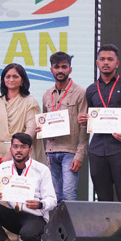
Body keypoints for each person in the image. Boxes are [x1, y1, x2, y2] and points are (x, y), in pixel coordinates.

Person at [77, 44, 121, 202]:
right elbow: (92, 117)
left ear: (117, 63)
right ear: (97, 63)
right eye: (102, 59)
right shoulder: (91, 89)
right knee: (102, 197)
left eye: (110, 59)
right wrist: (84, 120)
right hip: (97, 149)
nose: (106, 62)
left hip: (120, 148)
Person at [0, 133, 56, 241]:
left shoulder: (42, 170)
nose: (18, 150)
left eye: (23, 147)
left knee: (27, 234)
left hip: (34, 216)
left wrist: (40, 204)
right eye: (15, 146)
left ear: (30, 150)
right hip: (13, 214)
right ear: (11, 149)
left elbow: (52, 200)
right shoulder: (3, 167)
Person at [41, 52, 87, 202]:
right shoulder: (47, 94)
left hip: (70, 151)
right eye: (57, 67)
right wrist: (40, 128)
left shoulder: (80, 92)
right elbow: (44, 121)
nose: (60, 70)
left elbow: (84, 127)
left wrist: (80, 155)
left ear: (70, 69)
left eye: (64, 67)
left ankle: (69, 220)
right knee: (54, 197)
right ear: (51, 70)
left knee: (68, 196)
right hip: (51, 151)